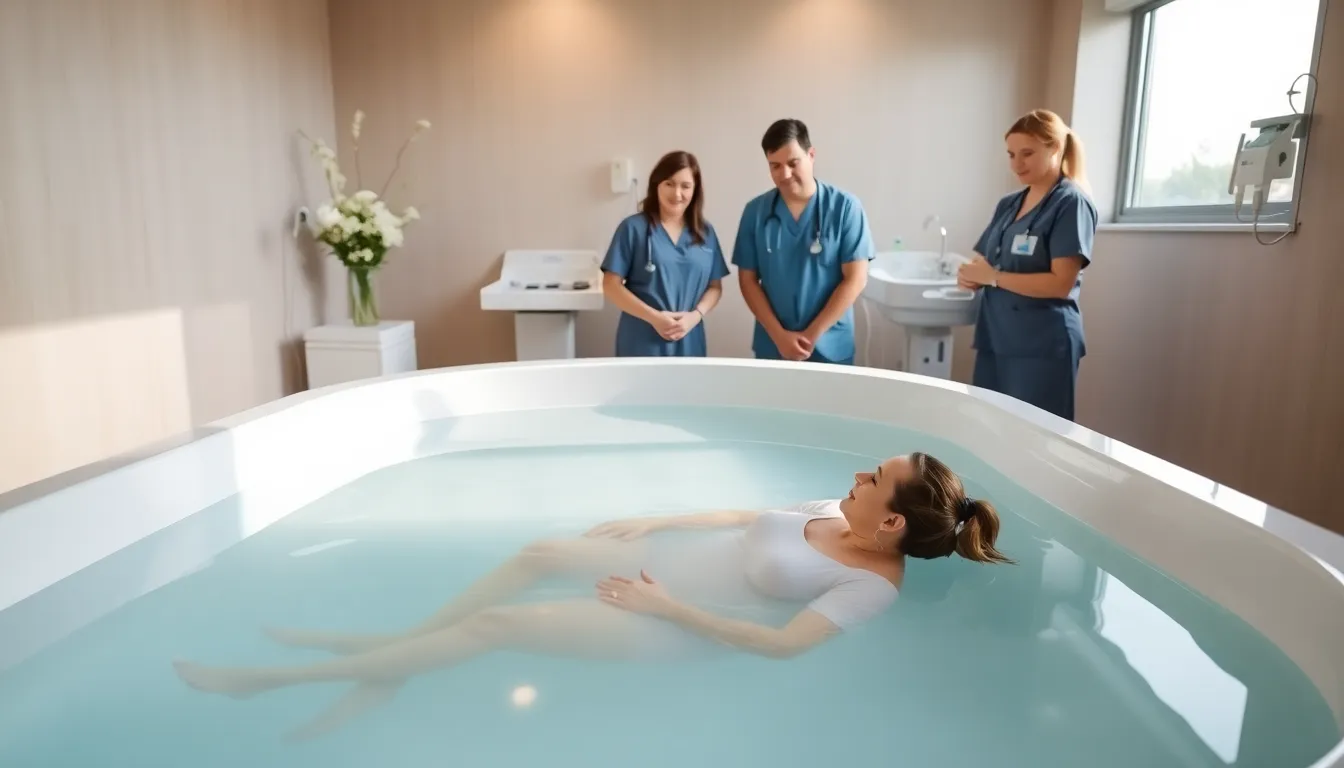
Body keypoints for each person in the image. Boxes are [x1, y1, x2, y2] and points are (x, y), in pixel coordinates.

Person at [172, 452, 1012, 740]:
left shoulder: (869, 584)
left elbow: (780, 645)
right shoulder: (838, 509)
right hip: (668, 567)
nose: (861, 473)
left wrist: (666, 610)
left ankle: (281, 679)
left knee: (503, 624)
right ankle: (387, 659)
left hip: (674, 622)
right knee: (539, 550)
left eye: (878, 477)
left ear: (894, 524)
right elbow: (747, 514)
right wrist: (655, 515)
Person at [957, 109, 1099, 421]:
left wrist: (993, 277)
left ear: (1055, 148)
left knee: (1037, 440)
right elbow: (986, 259)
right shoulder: (1009, 204)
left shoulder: (1070, 203)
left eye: (1027, 153)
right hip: (997, 337)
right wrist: (972, 274)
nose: (1016, 164)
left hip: (1042, 344)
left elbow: (1061, 283)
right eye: (1011, 154)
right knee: (990, 429)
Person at [732, 119, 875, 364]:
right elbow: (747, 281)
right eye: (775, 166)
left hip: (831, 344)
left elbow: (856, 278)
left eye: (792, 163)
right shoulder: (755, 212)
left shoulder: (845, 208)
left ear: (811, 155)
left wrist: (811, 336)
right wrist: (779, 336)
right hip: (774, 345)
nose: (784, 174)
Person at [600, 151, 730, 357]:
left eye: (685, 186)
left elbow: (715, 287)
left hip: (689, 337)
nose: (677, 193)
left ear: (695, 190)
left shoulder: (705, 233)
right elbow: (610, 285)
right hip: (642, 338)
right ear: (656, 185)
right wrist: (654, 318)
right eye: (669, 183)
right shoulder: (633, 228)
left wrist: (695, 316)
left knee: (688, 389)